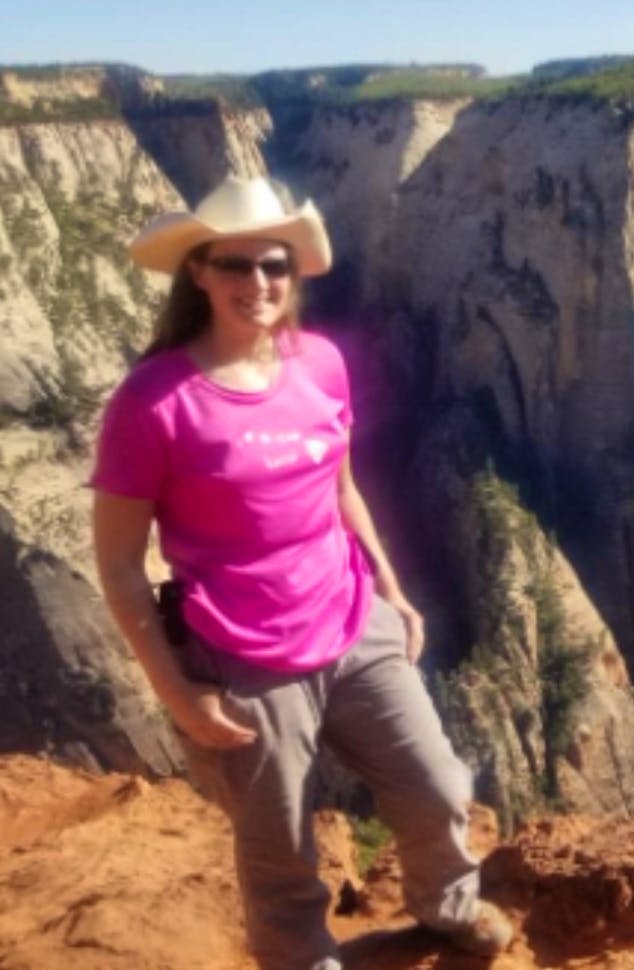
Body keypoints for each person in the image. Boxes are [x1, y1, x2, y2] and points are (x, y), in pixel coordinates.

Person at [88, 175, 514, 969]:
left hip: (353, 619)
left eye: (274, 265)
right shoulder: (154, 401)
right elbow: (116, 564)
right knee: (278, 849)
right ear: (200, 273)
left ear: (294, 271)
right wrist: (180, 694)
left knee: (439, 785)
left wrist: (391, 586)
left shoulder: (319, 363)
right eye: (236, 264)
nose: (259, 283)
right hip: (241, 656)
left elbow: (340, 486)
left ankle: (447, 905)